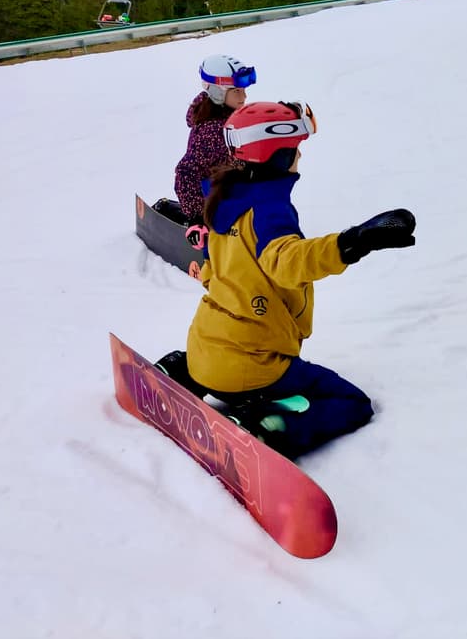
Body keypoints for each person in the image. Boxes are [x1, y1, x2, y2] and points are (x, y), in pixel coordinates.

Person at [157, 101, 417, 459]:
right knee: (351, 402)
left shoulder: (223, 200)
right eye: (296, 151)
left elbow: (212, 272)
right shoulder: (269, 209)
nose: (299, 159)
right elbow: (287, 261)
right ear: (279, 156)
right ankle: (269, 424)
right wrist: (353, 242)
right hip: (252, 369)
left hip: (203, 352)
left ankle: (179, 371)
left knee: (221, 360)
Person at [168, 54, 255, 230]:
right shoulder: (212, 131)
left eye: (244, 90)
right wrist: (198, 218)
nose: (244, 96)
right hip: (217, 202)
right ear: (217, 92)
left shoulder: (229, 117)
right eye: (237, 91)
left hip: (231, 192)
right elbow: (186, 172)